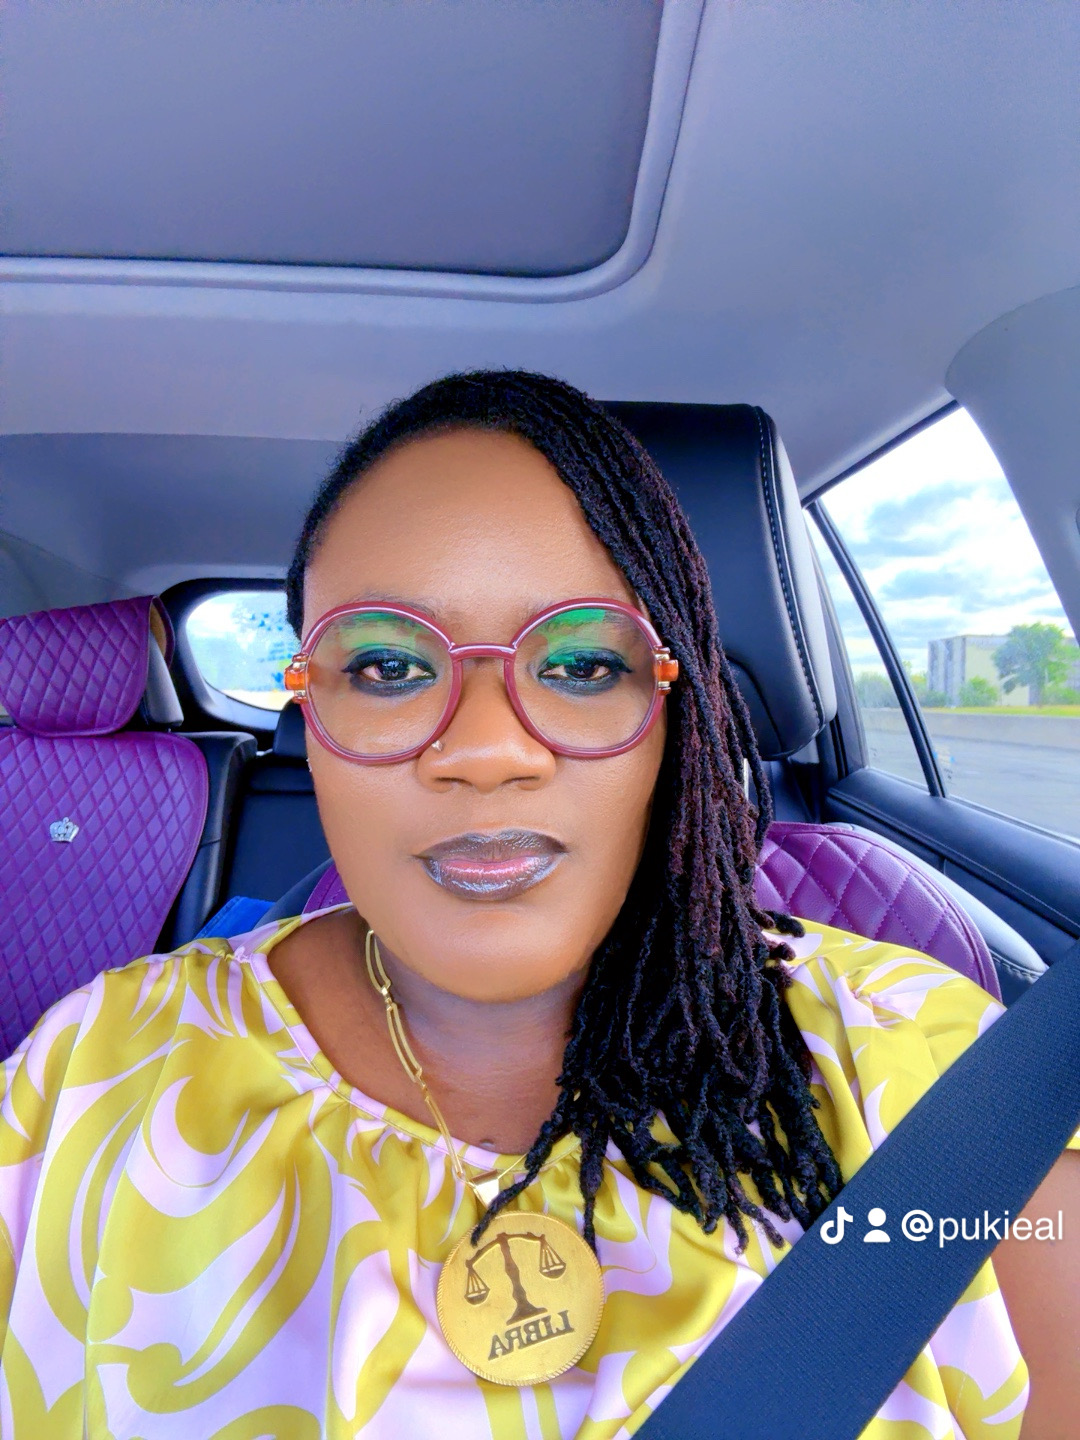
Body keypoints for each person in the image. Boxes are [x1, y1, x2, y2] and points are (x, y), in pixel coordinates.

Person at [1, 370, 1077, 1439]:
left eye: (582, 665)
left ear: (676, 712)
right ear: (308, 719)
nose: (484, 750)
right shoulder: (90, 1073)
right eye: (385, 668)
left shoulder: (937, 1076)